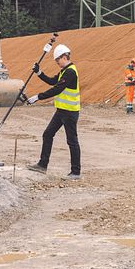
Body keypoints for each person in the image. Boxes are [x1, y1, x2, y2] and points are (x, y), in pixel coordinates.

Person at [25, 44, 81, 180]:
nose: (57, 63)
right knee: (48, 134)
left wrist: (38, 97)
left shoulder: (70, 72)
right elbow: (52, 81)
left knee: (72, 141)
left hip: (70, 112)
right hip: (61, 111)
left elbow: (57, 89)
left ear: (64, 57)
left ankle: (76, 172)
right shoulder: (64, 71)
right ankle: (42, 165)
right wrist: (39, 73)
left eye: (58, 60)